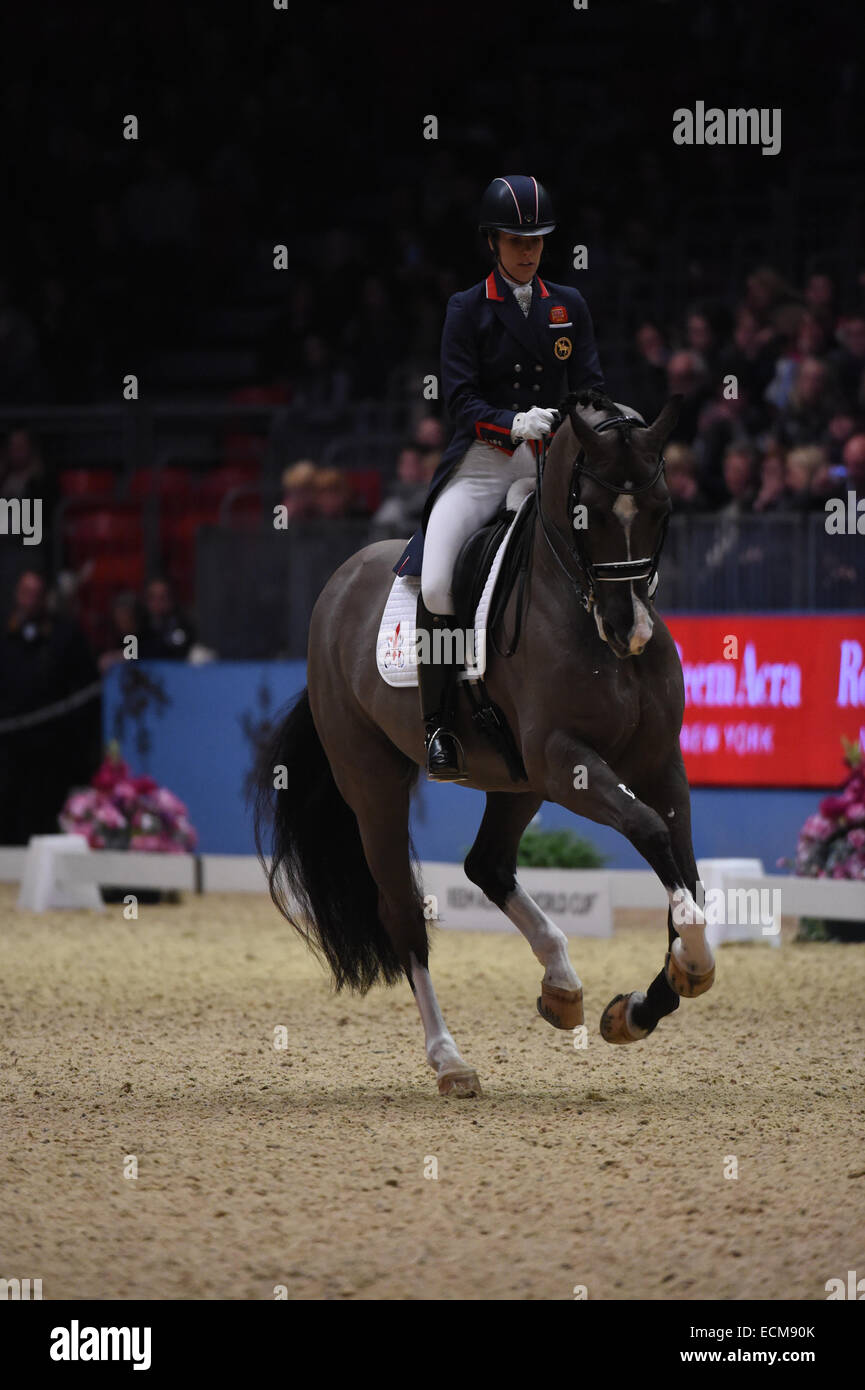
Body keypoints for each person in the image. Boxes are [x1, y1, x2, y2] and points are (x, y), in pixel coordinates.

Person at [393, 175, 604, 779]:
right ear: (492, 241)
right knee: (436, 584)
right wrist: (511, 423)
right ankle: (439, 724)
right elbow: (458, 401)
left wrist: (571, 426)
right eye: (516, 239)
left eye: (537, 239)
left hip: (549, 464)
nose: (528, 250)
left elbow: (590, 388)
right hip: (484, 464)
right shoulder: (466, 309)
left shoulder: (569, 306)